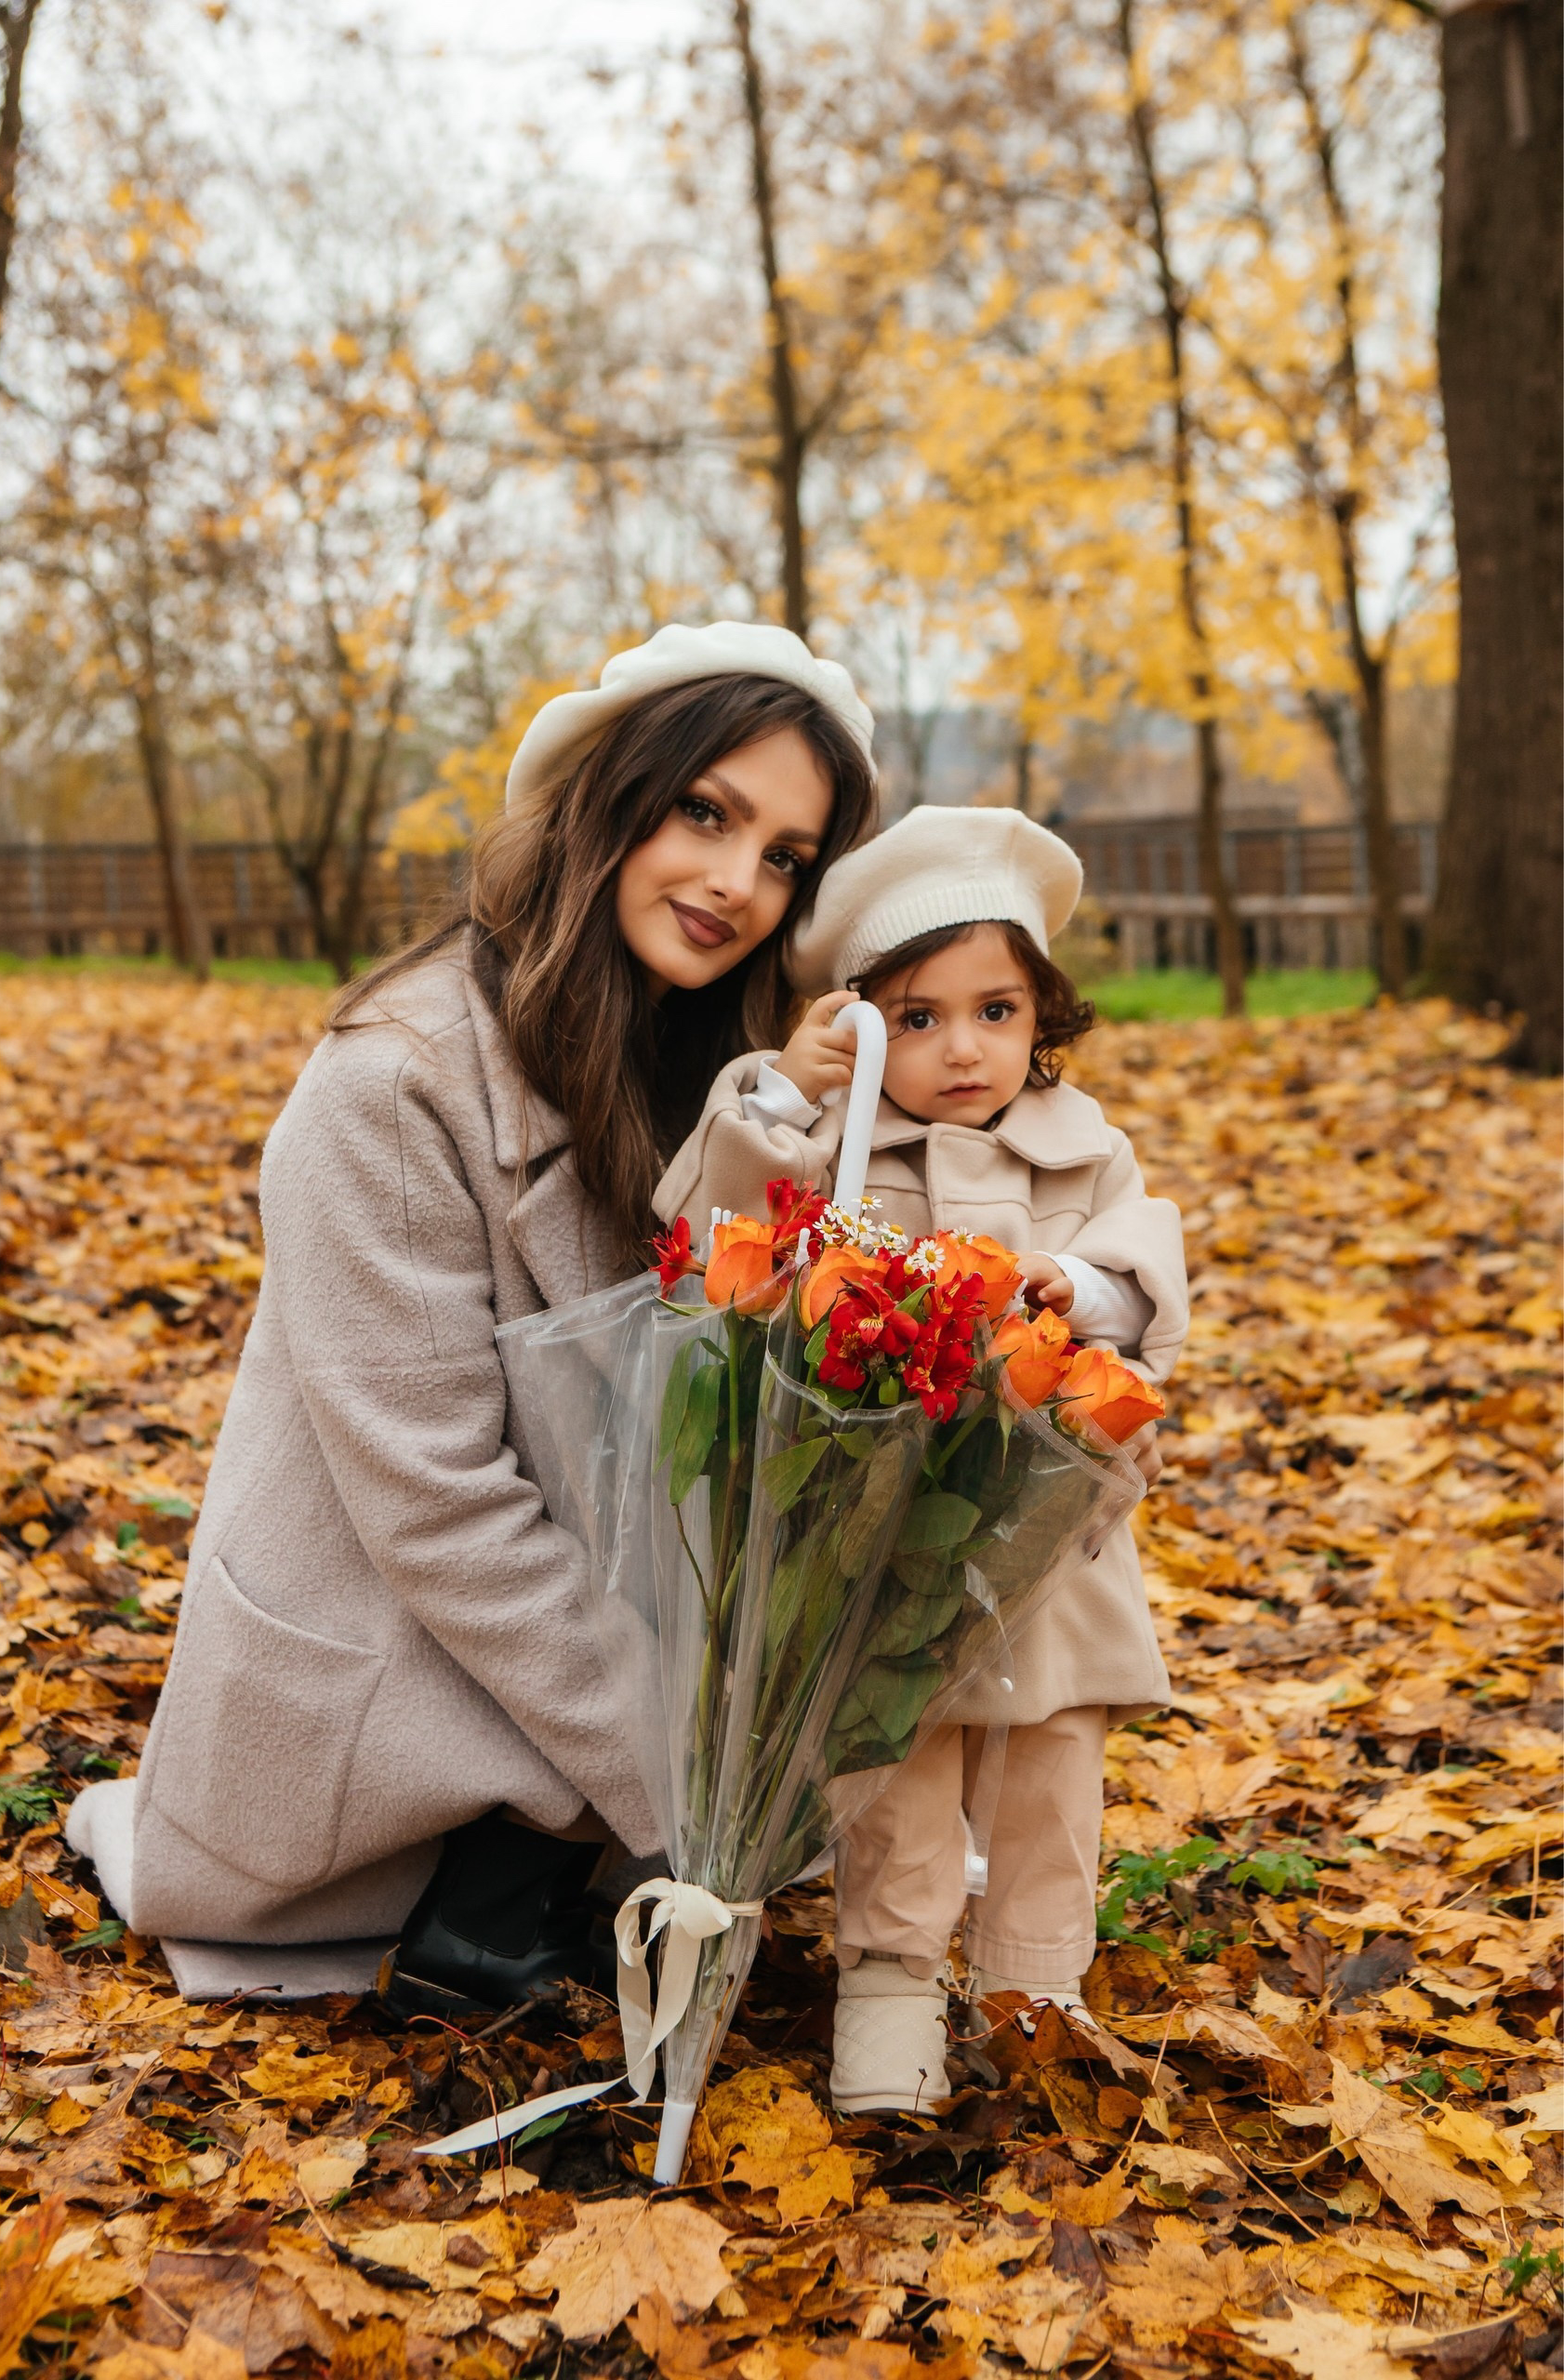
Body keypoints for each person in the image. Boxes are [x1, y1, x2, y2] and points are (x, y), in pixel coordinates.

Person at [67, 622, 878, 2016]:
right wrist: (701, 1782)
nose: (738, 883)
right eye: (705, 812)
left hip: (587, 1635)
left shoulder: (718, 1076)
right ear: (609, 800)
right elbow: (442, 1511)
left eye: (785, 856)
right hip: (398, 1662)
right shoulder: (391, 1087)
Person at [655, 803, 1188, 2113]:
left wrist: (1067, 1289)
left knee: (1052, 1764)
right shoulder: (835, 1148)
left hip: (1043, 1526)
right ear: (864, 1023)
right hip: (884, 1535)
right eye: (921, 1017)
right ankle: (889, 1991)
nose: (964, 1051)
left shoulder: (1076, 1145)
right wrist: (784, 1095)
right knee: (893, 1770)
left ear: (1038, 1017)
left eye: (996, 1013)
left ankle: (1032, 1986)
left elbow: (1142, 1274)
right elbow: (708, 1238)